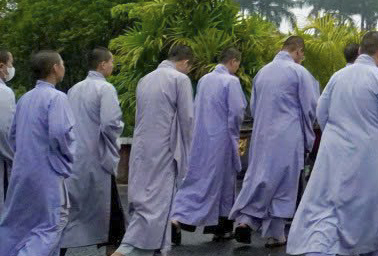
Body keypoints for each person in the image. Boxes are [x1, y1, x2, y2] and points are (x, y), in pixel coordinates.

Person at [286, 31, 378, 256]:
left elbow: (321, 111)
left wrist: (336, 131)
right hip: (369, 152)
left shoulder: (337, 76)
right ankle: (362, 244)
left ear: (360, 51)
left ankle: (324, 243)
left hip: (335, 149)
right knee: (367, 202)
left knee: (332, 199)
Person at [230, 36, 319, 247]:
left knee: (259, 177)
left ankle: (246, 220)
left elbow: (253, 105)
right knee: (282, 184)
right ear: (298, 52)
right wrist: (309, 136)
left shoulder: (263, 72)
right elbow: (310, 107)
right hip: (287, 136)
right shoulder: (299, 72)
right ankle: (274, 233)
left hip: (262, 135)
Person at [112, 44, 195, 256]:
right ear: (185, 62)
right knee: (158, 200)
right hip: (164, 147)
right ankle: (128, 248)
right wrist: (189, 151)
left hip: (142, 147)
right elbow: (187, 119)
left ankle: (158, 247)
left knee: (143, 196)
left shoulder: (145, 79)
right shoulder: (180, 80)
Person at [0, 50, 75, 256]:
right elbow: (61, 133)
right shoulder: (57, 98)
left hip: (23, 170)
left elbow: (12, 134)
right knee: (53, 223)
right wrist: (67, 162)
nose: (64, 68)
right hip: (48, 170)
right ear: (55, 68)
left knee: (20, 224)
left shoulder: (25, 98)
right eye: (62, 64)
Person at [171, 48, 247, 241]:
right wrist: (234, 135)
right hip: (222, 138)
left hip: (201, 137)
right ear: (233, 61)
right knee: (222, 182)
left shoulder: (205, 80)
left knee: (198, 179)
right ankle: (219, 225)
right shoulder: (231, 81)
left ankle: (180, 218)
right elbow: (237, 111)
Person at [61, 48, 126, 252]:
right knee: (111, 218)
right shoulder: (105, 89)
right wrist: (113, 146)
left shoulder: (74, 89)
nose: (113, 66)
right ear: (102, 65)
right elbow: (110, 123)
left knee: (71, 213)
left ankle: (59, 249)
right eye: (111, 62)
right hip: (98, 157)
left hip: (75, 156)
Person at [0, 50, 15, 206]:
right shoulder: (4, 92)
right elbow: (4, 130)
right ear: (1, 66)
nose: (11, 68)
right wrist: (14, 158)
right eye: (11, 63)